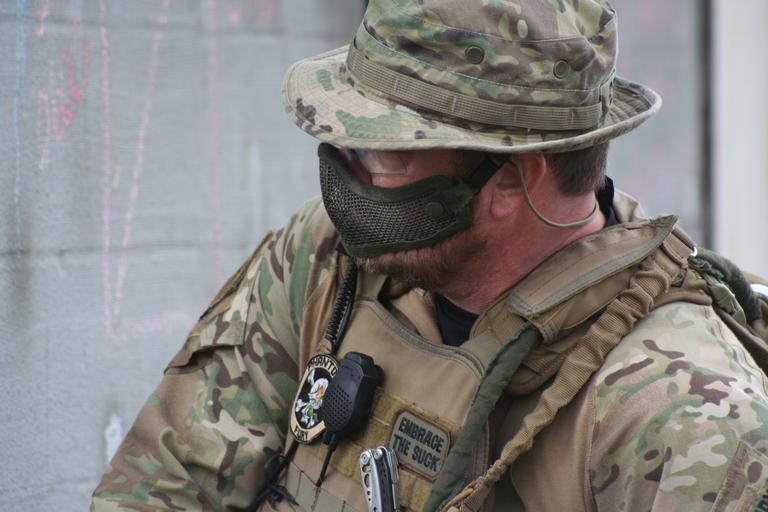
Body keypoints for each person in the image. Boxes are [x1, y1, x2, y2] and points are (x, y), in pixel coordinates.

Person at [92, 0, 768, 511]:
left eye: (384, 149)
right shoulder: (329, 260)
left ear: (510, 182)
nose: (348, 170)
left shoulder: (681, 416)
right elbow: (156, 491)